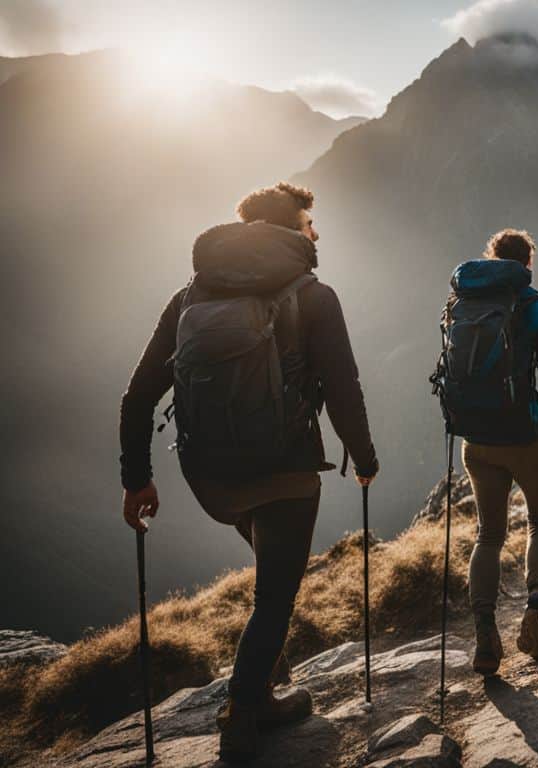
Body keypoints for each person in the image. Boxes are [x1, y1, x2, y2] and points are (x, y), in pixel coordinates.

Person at [119, 182, 378, 762]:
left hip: (209, 479)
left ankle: (259, 679)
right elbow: (343, 391)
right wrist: (363, 460)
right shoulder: (314, 296)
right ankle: (245, 709)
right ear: (289, 229)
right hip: (283, 473)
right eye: (311, 222)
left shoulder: (189, 297)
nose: (317, 233)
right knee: (275, 594)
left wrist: (136, 478)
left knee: (270, 567)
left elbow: (137, 398)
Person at [447, 229, 538, 676]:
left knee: (488, 536)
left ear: (492, 260)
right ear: (527, 266)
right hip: (526, 436)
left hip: (477, 440)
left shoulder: (462, 304)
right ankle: (535, 608)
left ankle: (485, 635)